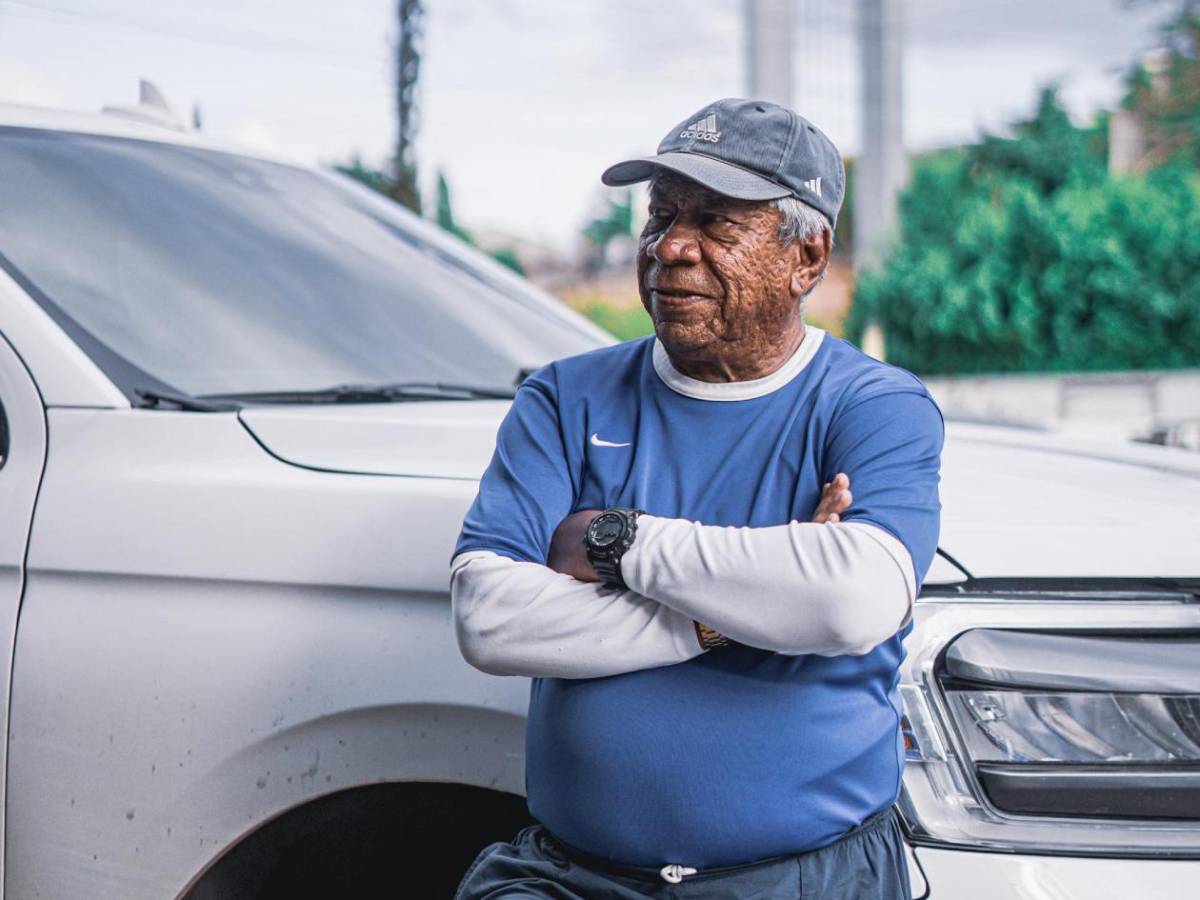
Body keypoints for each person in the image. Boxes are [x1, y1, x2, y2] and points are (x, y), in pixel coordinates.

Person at [449, 97, 943, 899]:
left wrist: (618, 541)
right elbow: (489, 618)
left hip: (802, 880)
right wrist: (740, 610)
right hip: (571, 876)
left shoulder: (872, 405)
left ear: (807, 257)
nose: (671, 248)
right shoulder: (564, 398)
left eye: (717, 223)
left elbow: (854, 599)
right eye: (662, 215)